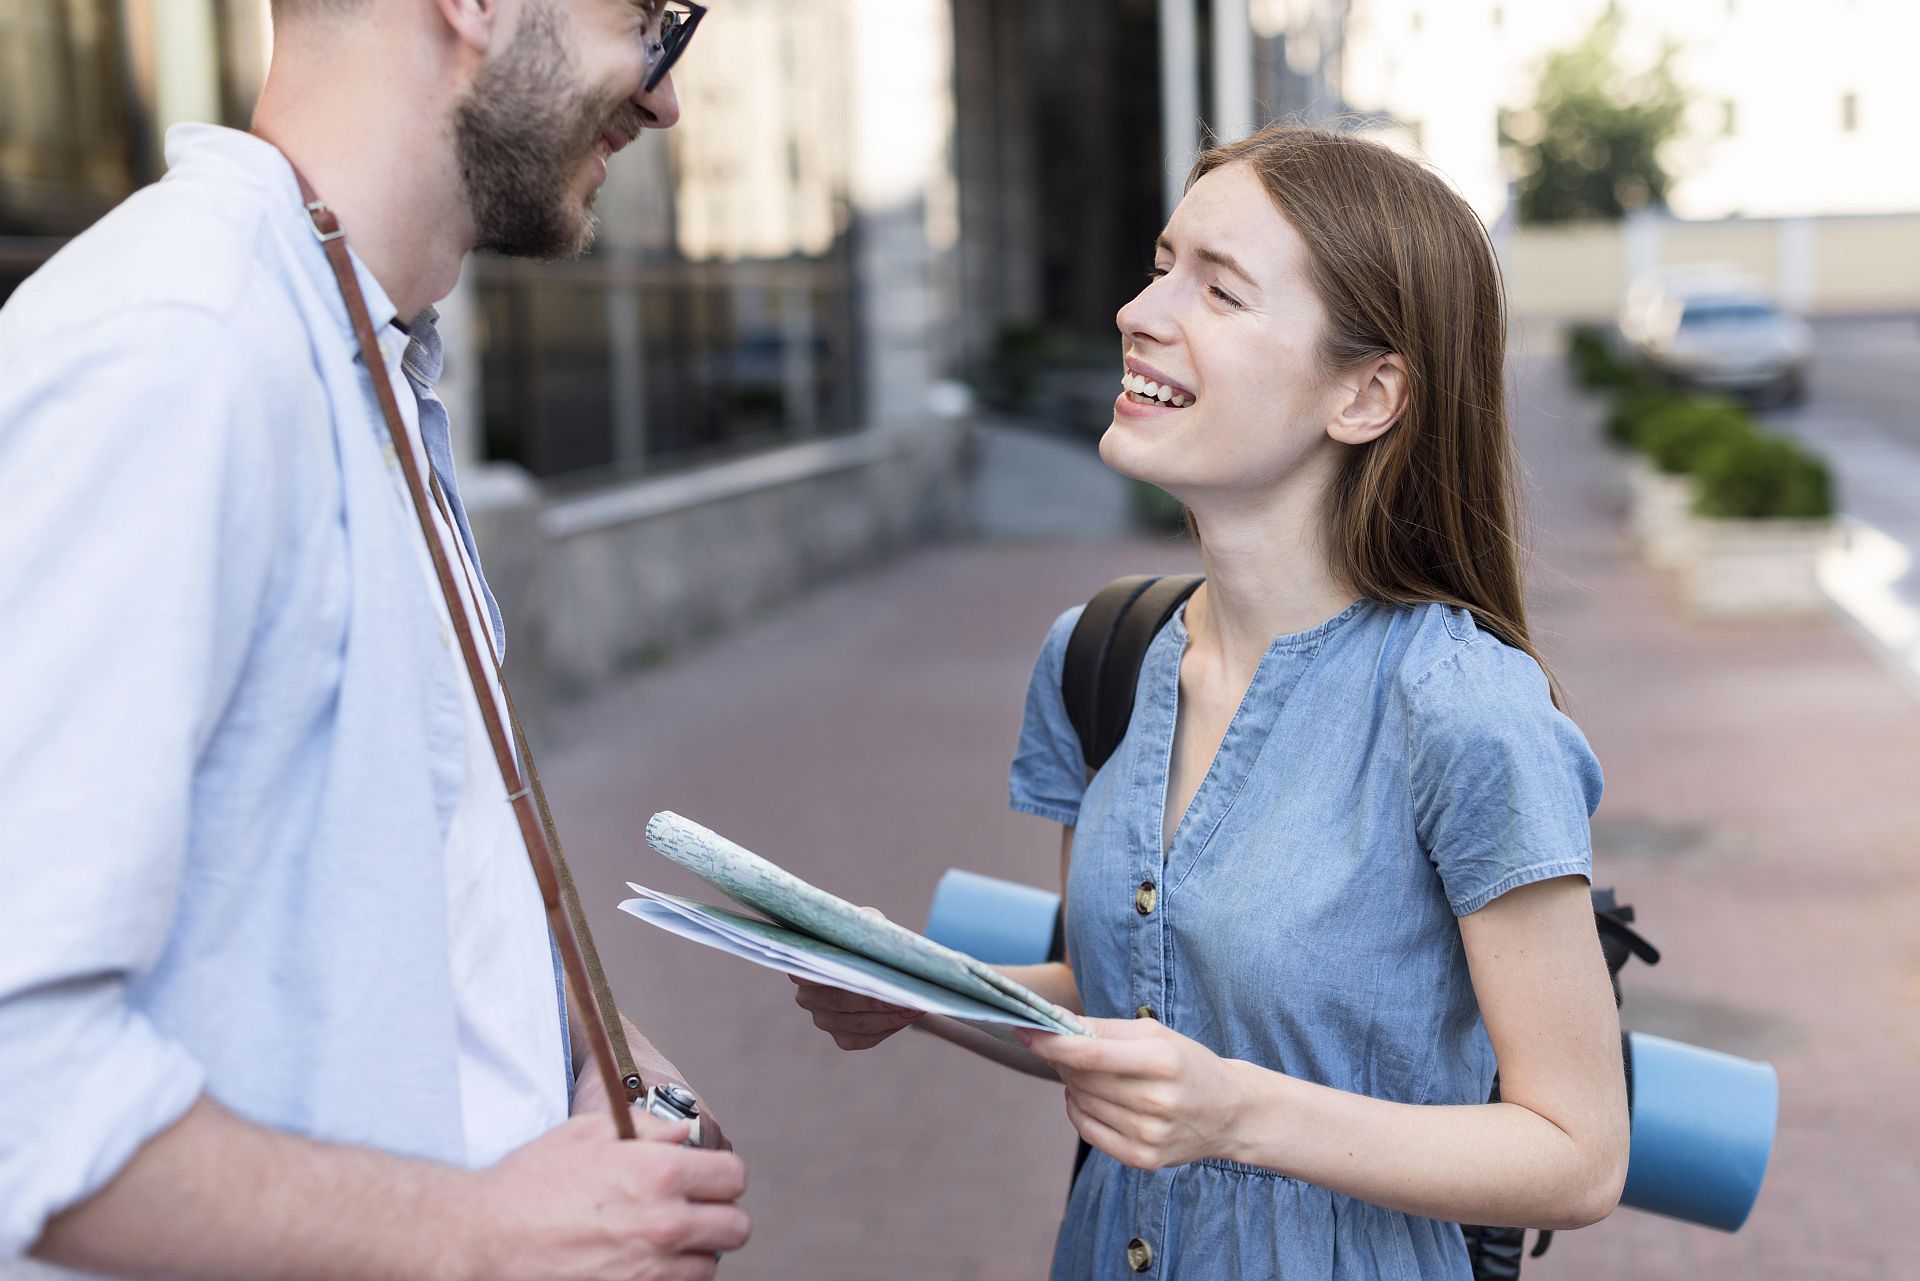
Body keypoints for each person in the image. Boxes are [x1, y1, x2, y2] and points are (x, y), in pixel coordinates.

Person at [791, 123, 1629, 1279]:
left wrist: (1236, 1114)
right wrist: (918, 986)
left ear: (1368, 393)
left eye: (1220, 291)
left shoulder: (1464, 710)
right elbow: (1119, 999)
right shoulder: (1098, 655)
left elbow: (1578, 1154)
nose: (1142, 309)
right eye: (1161, 262)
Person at [0, 3, 750, 1278]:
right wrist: (478, 1236)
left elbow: (408, 865)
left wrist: (599, 1069)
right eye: (648, 19)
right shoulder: (175, 356)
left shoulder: (356, 347)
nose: (664, 98)